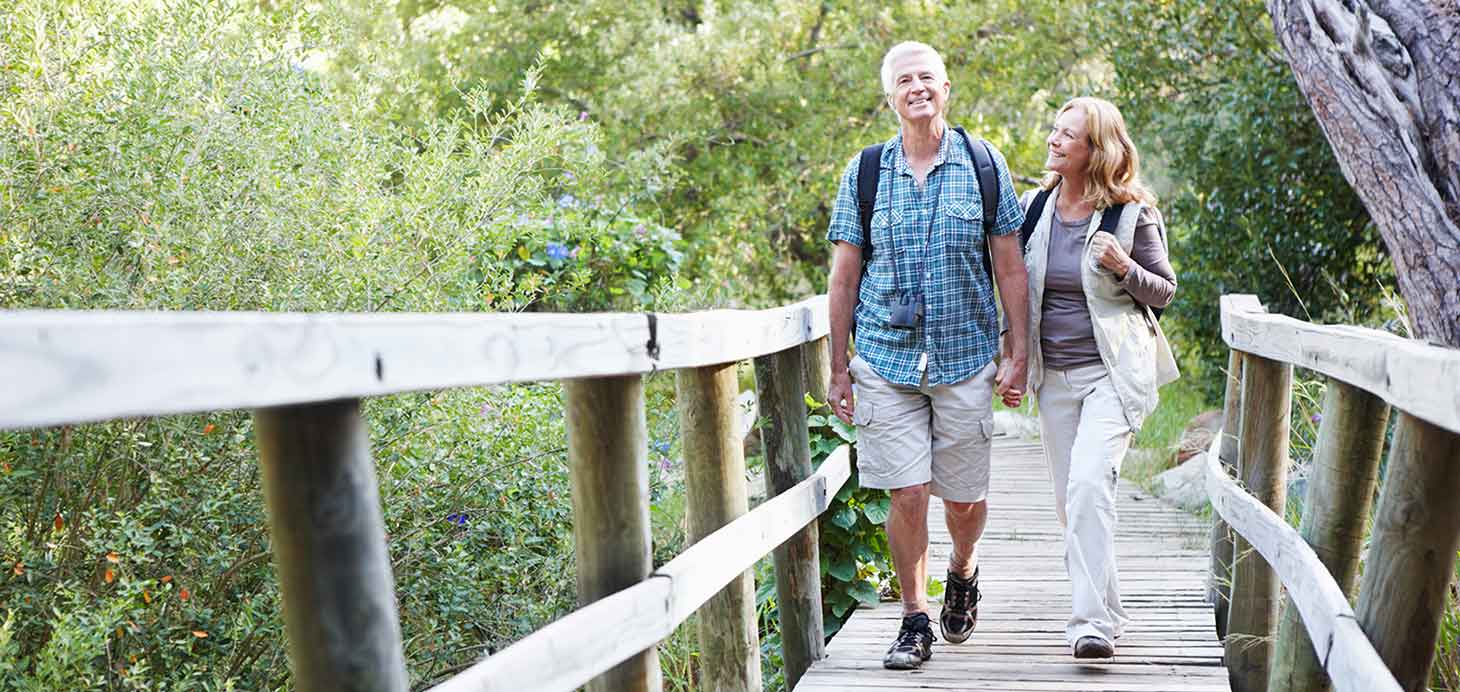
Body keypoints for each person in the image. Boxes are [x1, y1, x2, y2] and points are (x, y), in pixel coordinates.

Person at [825, 41, 1030, 671]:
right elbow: (842, 278)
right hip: (885, 358)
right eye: (904, 81)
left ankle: (962, 567)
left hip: (966, 355)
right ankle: (915, 617)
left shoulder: (984, 162)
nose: (917, 88)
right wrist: (838, 366)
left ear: (947, 89)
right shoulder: (865, 172)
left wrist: (1018, 352)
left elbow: (1010, 268)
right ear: (889, 98)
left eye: (927, 78)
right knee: (907, 492)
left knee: (963, 501)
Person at [1000, 96, 1179, 660]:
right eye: (1054, 130)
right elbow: (1016, 291)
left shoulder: (1130, 214)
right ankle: (1110, 609)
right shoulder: (1035, 208)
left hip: (1112, 375)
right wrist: (1013, 357)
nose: (1053, 140)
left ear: (1094, 150)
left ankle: (1089, 624)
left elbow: (1165, 291)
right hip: (1054, 377)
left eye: (1067, 135)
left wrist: (1125, 267)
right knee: (1070, 502)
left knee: (1087, 487)